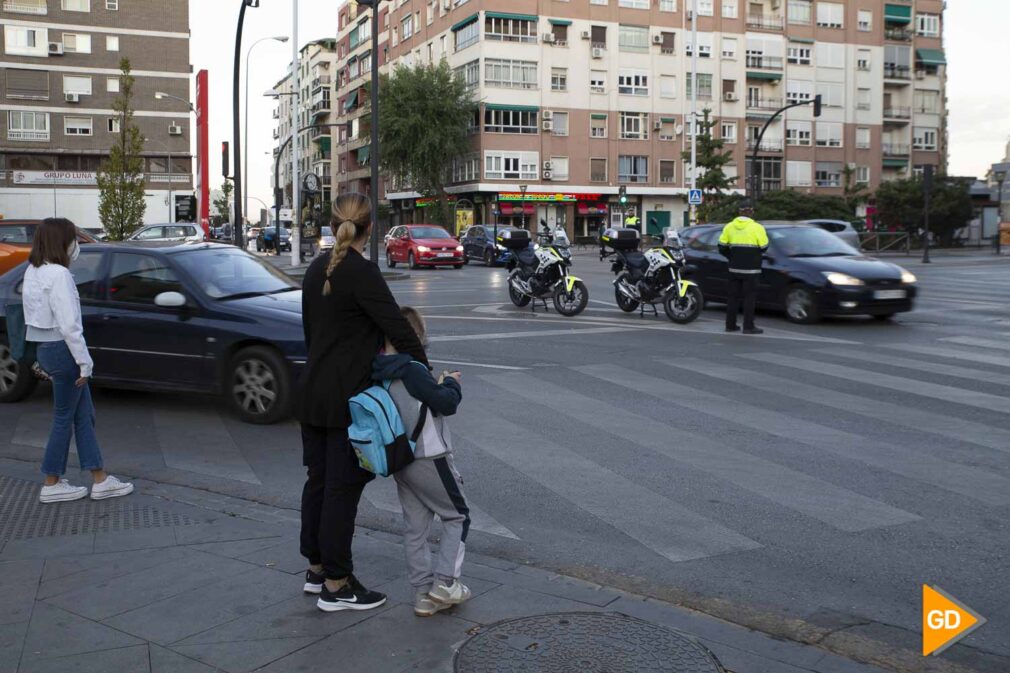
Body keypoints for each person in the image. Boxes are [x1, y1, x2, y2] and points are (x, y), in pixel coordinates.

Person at [296, 193, 429, 613]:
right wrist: (424, 373)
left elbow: (310, 333)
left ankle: (317, 570)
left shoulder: (316, 268)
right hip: (347, 401)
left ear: (334, 224)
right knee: (341, 489)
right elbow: (399, 330)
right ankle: (337, 585)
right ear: (369, 227)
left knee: (318, 483)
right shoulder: (362, 273)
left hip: (312, 393)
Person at [22, 218, 133, 503]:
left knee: (84, 415)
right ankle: (51, 481)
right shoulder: (59, 275)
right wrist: (85, 363)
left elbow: (33, 319)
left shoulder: (33, 271)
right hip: (64, 350)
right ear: (62, 242)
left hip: (47, 347)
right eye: (73, 239)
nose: (76, 245)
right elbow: (70, 325)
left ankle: (100, 478)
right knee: (64, 417)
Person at [372, 307, 470, 618]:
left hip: (401, 460)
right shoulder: (413, 369)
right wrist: (451, 383)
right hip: (429, 456)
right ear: (417, 336)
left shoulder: (380, 370)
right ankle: (445, 583)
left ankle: (422, 595)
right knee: (459, 516)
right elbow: (445, 404)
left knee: (415, 529)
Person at [718, 200, 768, 335]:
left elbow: (721, 247)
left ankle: (730, 325)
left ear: (739, 212)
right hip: (752, 269)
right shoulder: (757, 227)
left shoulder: (729, 227)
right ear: (751, 211)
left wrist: (732, 257)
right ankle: (748, 326)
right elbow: (764, 247)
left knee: (732, 297)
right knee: (749, 298)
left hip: (734, 268)